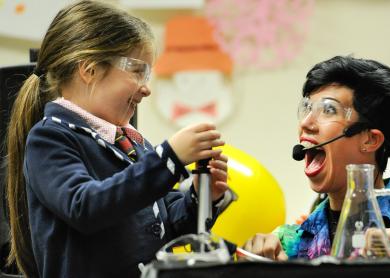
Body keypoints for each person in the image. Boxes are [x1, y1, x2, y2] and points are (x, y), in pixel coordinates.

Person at [5, 1, 229, 277]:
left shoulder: (134, 143)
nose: (147, 88)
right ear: (89, 70)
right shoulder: (50, 138)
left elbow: (166, 225)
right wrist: (169, 159)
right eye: (138, 71)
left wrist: (200, 195)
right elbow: (85, 207)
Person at [243, 56, 390, 260]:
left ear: (370, 140)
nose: (306, 123)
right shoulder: (291, 242)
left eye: (328, 110)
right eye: (307, 108)